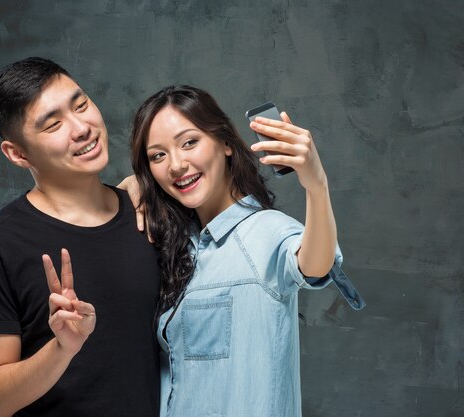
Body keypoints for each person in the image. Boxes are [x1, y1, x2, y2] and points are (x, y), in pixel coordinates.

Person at [130, 85, 365, 417]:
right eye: (158, 155)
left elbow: (315, 263)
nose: (177, 165)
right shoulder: (177, 249)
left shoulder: (264, 231)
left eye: (189, 142)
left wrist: (316, 183)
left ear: (225, 143)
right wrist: (132, 184)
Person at [0, 57, 160, 417]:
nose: (82, 128)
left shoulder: (146, 213)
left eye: (81, 105)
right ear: (17, 153)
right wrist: (62, 349)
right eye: (53, 125)